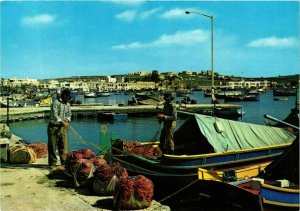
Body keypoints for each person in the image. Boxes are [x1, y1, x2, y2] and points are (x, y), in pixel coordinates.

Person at [47, 89, 72, 168]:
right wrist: (63, 122)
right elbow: (54, 115)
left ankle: (63, 163)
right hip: (53, 127)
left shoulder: (67, 104)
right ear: (64, 95)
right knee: (52, 146)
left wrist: (67, 120)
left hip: (62, 128)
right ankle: (52, 163)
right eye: (68, 97)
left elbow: (69, 114)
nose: (69, 99)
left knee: (63, 145)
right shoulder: (55, 103)